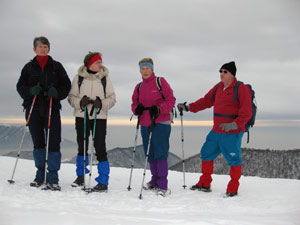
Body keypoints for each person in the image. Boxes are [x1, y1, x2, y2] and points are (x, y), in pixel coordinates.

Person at [177, 61, 252, 197]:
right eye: (220, 71)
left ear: (232, 74)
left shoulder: (241, 89)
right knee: (206, 153)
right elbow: (205, 101)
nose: (221, 74)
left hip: (232, 132)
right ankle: (205, 183)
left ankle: (233, 188)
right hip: (217, 130)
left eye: (225, 72)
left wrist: (234, 125)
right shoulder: (218, 87)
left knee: (234, 159)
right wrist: (188, 107)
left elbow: (247, 112)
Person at [16, 36, 71, 191]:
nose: (43, 49)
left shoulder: (56, 67)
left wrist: (57, 93)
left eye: (46, 47)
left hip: (51, 108)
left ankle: (53, 177)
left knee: (54, 142)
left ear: (49, 49)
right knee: (38, 142)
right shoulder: (28, 68)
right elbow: (20, 86)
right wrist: (30, 91)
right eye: (40, 47)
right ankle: (40, 175)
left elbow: (66, 86)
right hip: (33, 108)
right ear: (34, 49)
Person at [68, 52, 116, 192]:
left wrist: (100, 104)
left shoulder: (105, 78)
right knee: (81, 146)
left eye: (100, 62)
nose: (100, 65)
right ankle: (80, 176)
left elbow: (112, 99)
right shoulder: (78, 78)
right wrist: (80, 102)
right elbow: (71, 98)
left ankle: (103, 181)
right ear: (89, 64)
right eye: (97, 62)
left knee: (100, 148)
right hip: (81, 115)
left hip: (98, 117)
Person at [131, 58, 175, 197]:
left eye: (147, 68)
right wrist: (136, 109)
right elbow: (134, 103)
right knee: (149, 152)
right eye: (142, 68)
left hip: (161, 122)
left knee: (160, 152)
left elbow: (170, 100)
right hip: (145, 122)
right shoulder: (139, 87)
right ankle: (154, 180)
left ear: (152, 69)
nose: (145, 71)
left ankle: (163, 185)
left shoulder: (160, 82)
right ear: (139, 70)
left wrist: (159, 109)